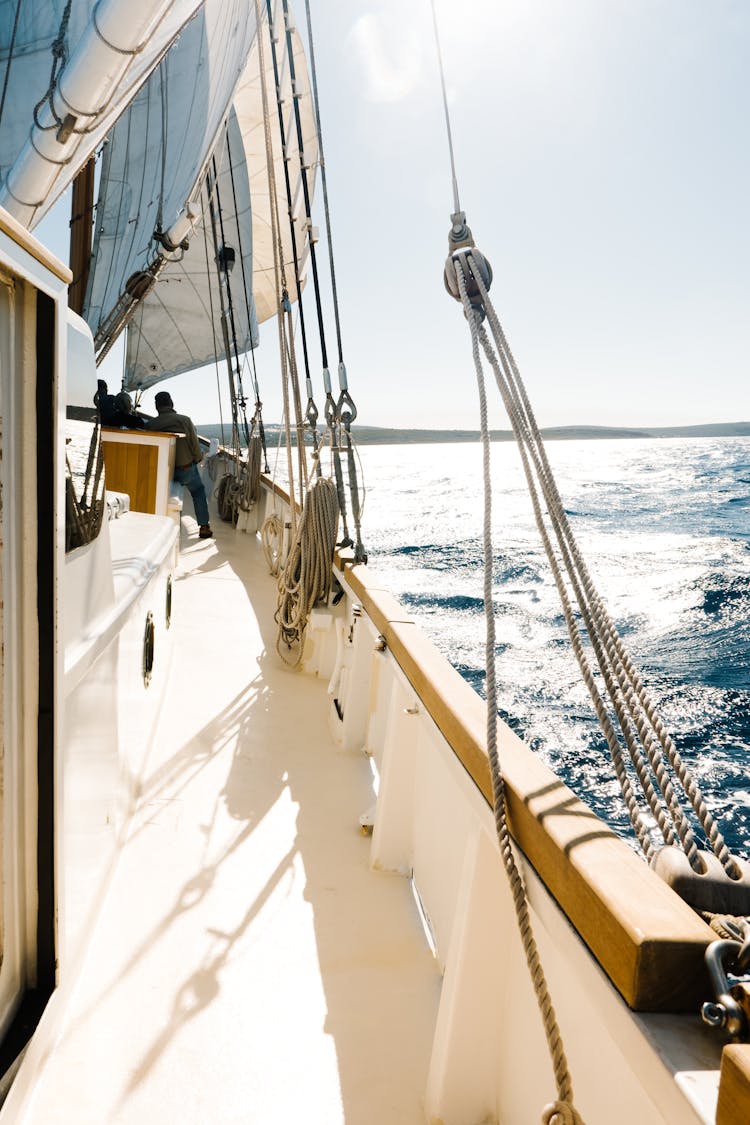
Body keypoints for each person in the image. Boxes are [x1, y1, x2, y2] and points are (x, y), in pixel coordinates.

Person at [147, 390, 213, 539]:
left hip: (163, 472)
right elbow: (195, 446)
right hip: (186, 469)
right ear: (171, 404)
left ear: (156, 406)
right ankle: (204, 527)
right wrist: (197, 459)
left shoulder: (150, 425)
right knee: (198, 492)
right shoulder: (185, 420)